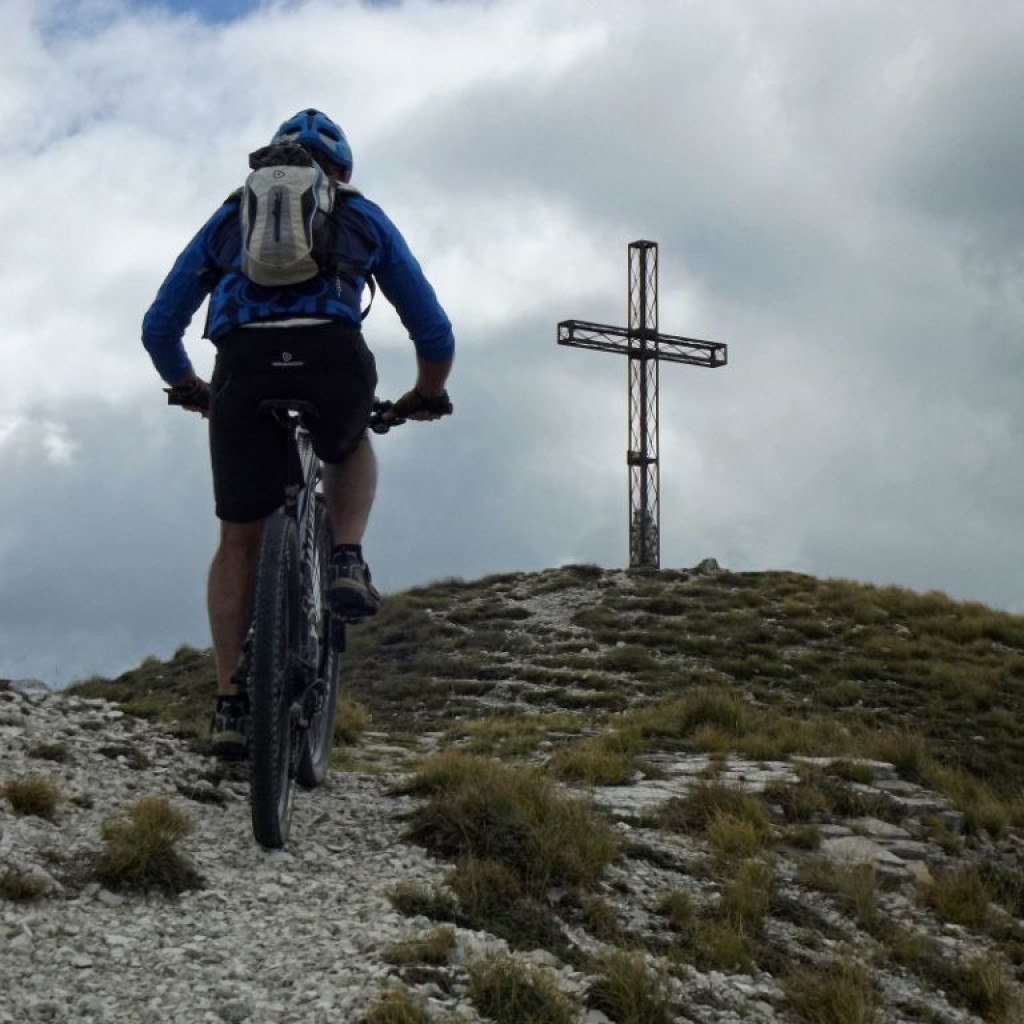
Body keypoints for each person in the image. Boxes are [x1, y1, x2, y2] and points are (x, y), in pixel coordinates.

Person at [141, 108, 454, 758]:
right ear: (337, 171)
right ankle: (344, 557)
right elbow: (432, 327)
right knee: (351, 440)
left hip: (242, 368)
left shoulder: (232, 218)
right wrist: (426, 392)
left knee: (237, 541)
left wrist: (188, 385)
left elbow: (159, 325)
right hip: (331, 357)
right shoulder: (358, 213)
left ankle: (230, 704)